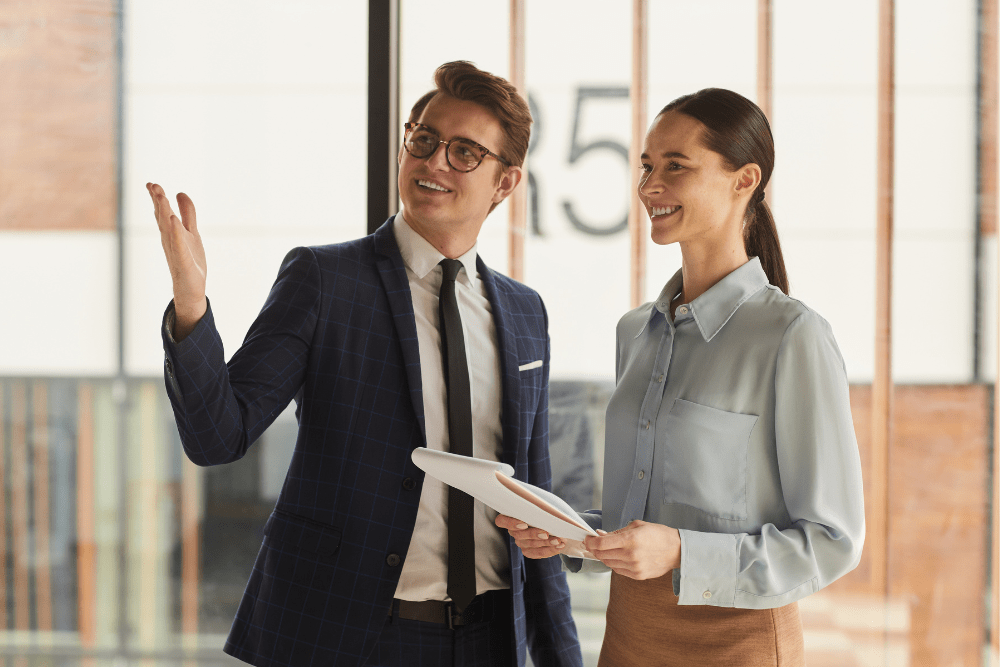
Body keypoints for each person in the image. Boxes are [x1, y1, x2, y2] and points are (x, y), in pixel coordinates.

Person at [149, 60, 583, 667]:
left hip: (489, 640)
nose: (433, 162)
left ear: (505, 183)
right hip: (348, 636)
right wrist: (192, 307)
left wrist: (562, 656)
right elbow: (217, 437)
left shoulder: (524, 312)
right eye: (423, 140)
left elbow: (536, 505)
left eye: (463, 152)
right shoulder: (325, 280)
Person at [498, 88, 865, 666]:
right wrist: (572, 535)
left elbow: (831, 543)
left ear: (744, 179)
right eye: (646, 166)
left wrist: (679, 553)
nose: (649, 186)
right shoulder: (635, 333)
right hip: (628, 638)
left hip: (736, 646)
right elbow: (645, 519)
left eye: (675, 166)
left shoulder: (793, 337)